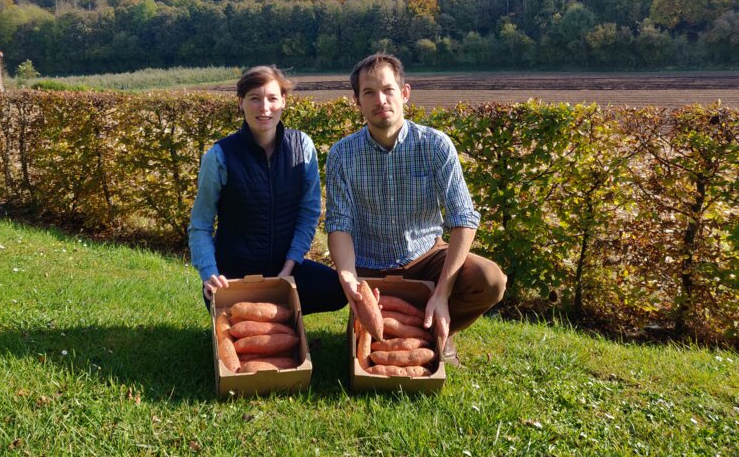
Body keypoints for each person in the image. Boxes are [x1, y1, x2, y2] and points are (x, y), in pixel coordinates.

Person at [325, 53, 506, 364]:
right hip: (371, 265)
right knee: (358, 348)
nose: (380, 99)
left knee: (490, 280)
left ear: (404, 93)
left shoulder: (435, 145)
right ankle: (416, 336)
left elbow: (463, 218)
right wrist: (348, 276)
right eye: (368, 92)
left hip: (426, 257)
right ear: (357, 101)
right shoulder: (342, 154)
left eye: (388, 89)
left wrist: (443, 292)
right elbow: (339, 223)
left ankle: (436, 329)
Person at [188, 65, 346, 314]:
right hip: (235, 275)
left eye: (272, 98)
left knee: (337, 291)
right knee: (230, 310)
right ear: (240, 103)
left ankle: (279, 309)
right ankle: (269, 310)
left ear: (283, 102)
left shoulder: (302, 146)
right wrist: (210, 274)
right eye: (254, 99)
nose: (264, 108)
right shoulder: (219, 156)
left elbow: (309, 211)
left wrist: (290, 265)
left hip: (287, 267)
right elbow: (200, 224)